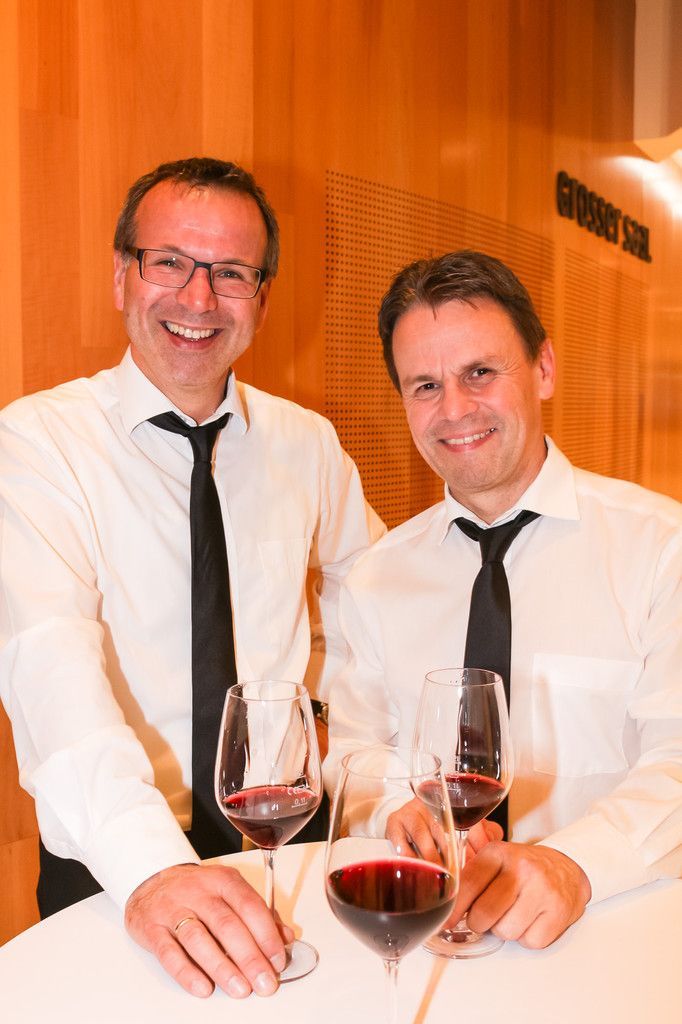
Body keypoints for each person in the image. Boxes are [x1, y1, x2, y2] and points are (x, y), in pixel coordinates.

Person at [0, 157, 383, 998]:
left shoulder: (308, 444)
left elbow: (379, 608)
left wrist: (346, 744)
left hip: (286, 843)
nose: (199, 298)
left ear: (262, 298)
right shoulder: (37, 444)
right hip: (119, 866)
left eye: (232, 272)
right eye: (169, 262)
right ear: (121, 276)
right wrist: (152, 870)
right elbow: (46, 663)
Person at [325, 249, 682, 950]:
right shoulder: (375, 577)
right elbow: (354, 750)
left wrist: (574, 865)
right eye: (425, 385)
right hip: (433, 931)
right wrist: (396, 802)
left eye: (480, 373)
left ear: (543, 368)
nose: (454, 410)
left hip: (615, 937)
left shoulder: (661, 548)